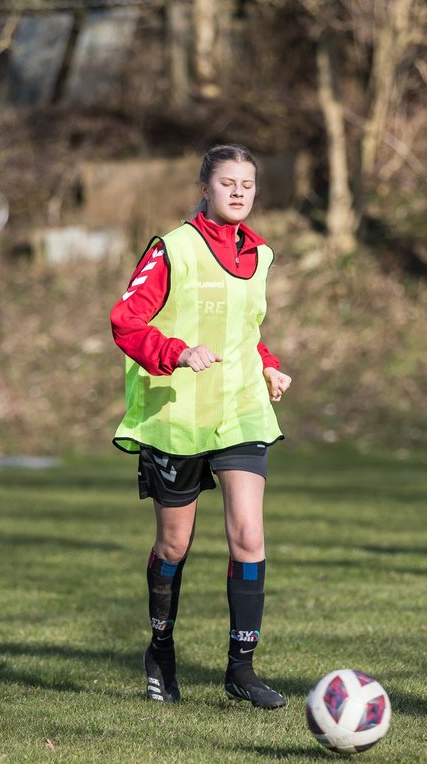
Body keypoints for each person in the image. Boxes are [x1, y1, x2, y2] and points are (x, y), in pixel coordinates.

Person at [110, 144, 292, 708]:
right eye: (227, 183)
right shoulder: (173, 249)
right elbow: (125, 321)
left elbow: (247, 328)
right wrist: (176, 352)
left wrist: (267, 364)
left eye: (248, 184)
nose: (239, 192)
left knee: (248, 534)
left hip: (240, 412)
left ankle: (242, 668)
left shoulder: (259, 255)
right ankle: (160, 650)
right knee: (174, 541)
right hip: (178, 418)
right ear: (205, 188)